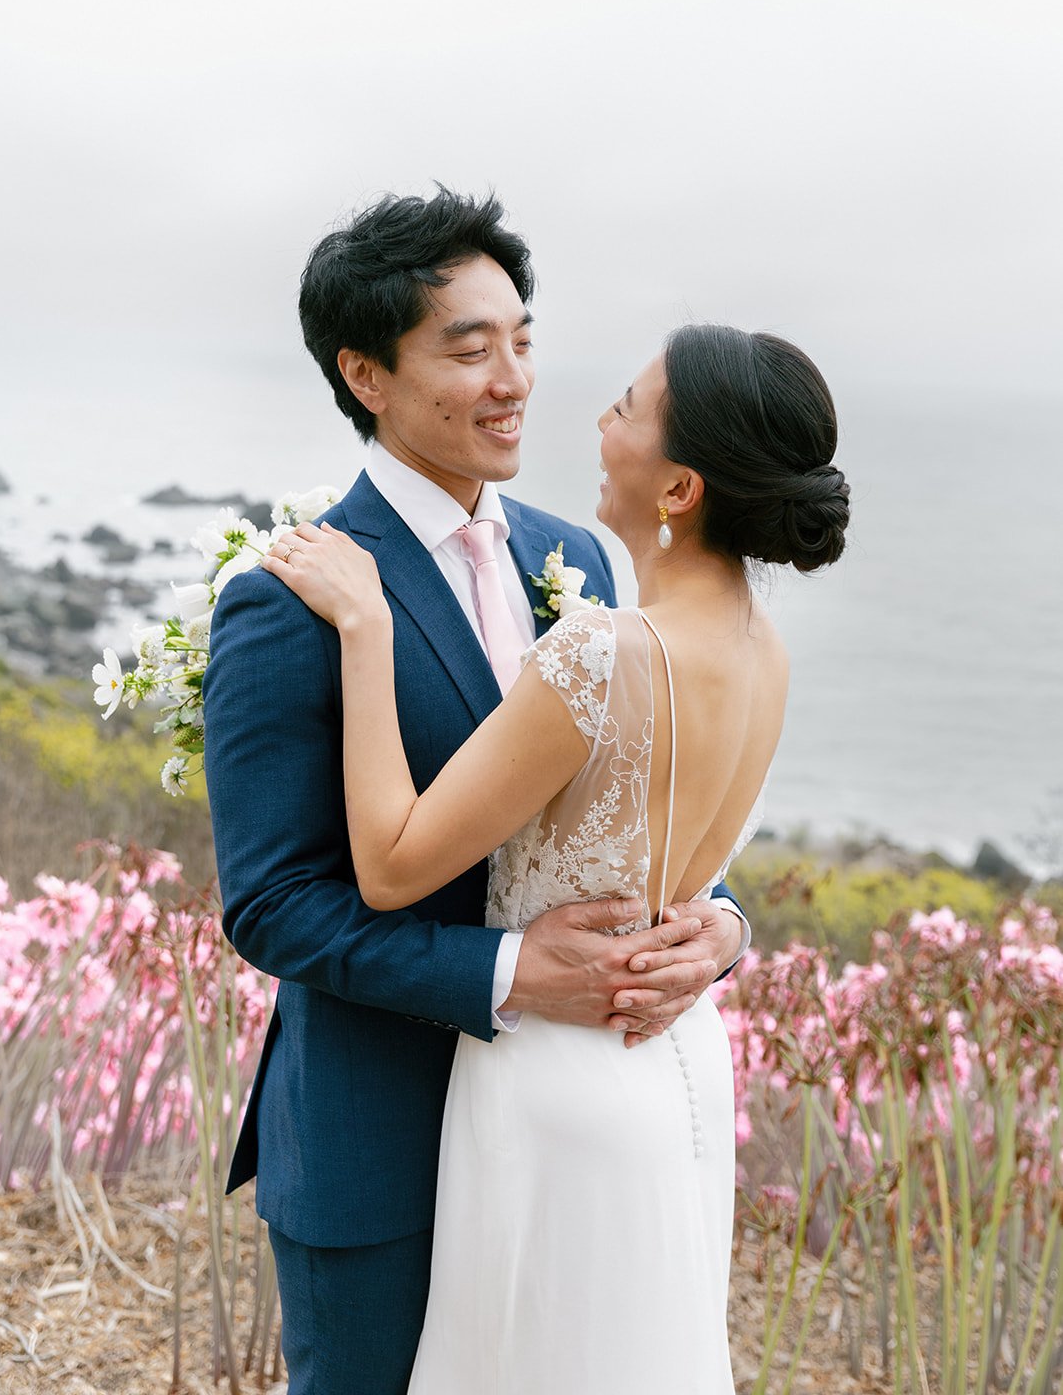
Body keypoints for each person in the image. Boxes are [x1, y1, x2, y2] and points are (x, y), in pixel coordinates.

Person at [203, 189, 751, 1395]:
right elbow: (275, 905)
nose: (512, 381)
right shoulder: (286, 600)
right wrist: (509, 973)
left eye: (522, 339)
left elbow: (641, 791)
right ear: (365, 374)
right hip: (380, 1144)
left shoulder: (582, 556)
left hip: (567, 1140)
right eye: (467, 349)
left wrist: (716, 923)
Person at [263, 318, 850, 1393]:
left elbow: (388, 866)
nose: (595, 420)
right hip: (674, 1058)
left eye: (625, 408)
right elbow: (665, 850)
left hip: (555, 1078)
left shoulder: (598, 648)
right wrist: (722, 927)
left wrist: (365, 630)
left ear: (680, 489)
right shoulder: (763, 649)